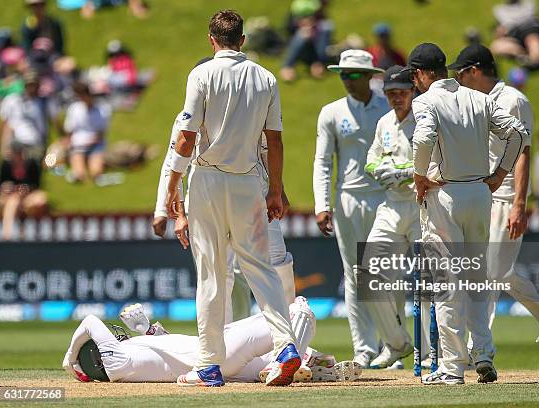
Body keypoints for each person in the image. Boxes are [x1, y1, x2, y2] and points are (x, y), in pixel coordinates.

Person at [165, 10, 300, 387]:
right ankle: (286, 344)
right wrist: (275, 188)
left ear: (211, 40)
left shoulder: (202, 73)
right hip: (247, 182)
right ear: (242, 40)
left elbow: (187, 137)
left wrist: (173, 186)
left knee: (212, 272)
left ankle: (209, 364)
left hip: (208, 180)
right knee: (260, 266)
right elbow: (274, 139)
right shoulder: (266, 77)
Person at [408, 42, 529, 385]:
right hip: (480, 193)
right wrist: (499, 174)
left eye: (413, 77)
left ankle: (451, 368)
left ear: (420, 74)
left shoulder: (425, 101)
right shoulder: (480, 98)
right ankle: (484, 354)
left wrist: (419, 176)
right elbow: (519, 133)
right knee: (476, 280)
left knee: (447, 285)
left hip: (444, 196)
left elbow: (424, 138)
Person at [450, 44, 539, 370]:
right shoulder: (475, 102)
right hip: (479, 195)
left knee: (495, 273)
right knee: (485, 273)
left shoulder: (513, 100)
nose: (458, 78)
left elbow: (524, 152)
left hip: (506, 197)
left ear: (474, 70)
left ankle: (482, 347)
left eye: (461, 72)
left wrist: (519, 204)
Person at [62, 299, 363, 384]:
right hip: (220, 352)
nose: (117, 336)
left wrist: (149, 331)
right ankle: (289, 359)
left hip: (219, 364)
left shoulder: (127, 363)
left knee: (276, 351)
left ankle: (311, 364)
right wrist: (71, 357)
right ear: (99, 358)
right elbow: (90, 322)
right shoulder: (117, 360)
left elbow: (173, 351)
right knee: (299, 310)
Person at [313, 49, 390, 368]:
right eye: (343, 74)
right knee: (356, 275)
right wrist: (322, 204)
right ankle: (364, 348)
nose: (347, 80)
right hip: (347, 199)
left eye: (353, 74)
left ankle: (393, 345)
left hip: (385, 197)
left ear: (370, 76)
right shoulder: (331, 112)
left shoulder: (388, 107)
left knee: (385, 273)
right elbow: (322, 161)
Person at [361, 65, 418, 369]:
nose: (397, 98)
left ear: (413, 91)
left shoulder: (423, 120)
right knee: (369, 271)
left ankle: (442, 350)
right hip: (391, 206)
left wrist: (405, 173)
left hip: (422, 206)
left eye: (402, 93)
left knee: (433, 280)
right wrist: (380, 172)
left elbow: (435, 164)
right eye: (391, 93)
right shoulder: (384, 123)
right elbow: (371, 159)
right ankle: (396, 343)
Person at [0, 142, 48, 240]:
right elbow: (1, 186)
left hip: (28, 197)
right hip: (10, 198)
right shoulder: (6, 164)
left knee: (41, 200)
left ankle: (29, 233)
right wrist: (6, 188)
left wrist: (25, 189)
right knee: (14, 202)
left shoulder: (31, 163)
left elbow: (36, 185)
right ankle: (7, 235)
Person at [63, 82, 111, 183]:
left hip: (96, 146)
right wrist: (68, 144)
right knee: (79, 174)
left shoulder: (103, 110)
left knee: (96, 173)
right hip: (77, 146)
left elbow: (101, 134)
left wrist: (90, 143)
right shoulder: (74, 108)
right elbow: (69, 132)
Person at [280, 0, 332, 82]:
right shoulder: (297, 7)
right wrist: (301, 26)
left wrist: (314, 29)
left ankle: (318, 64)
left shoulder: (319, 13)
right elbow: (288, 30)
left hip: (315, 48)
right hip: (300, 48)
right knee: (303, 34)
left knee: (326, 27)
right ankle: (287, 67)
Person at [490, 0, 539, 69]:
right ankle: (524, 58)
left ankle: (534, 62)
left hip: (530, 31)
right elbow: (499, 32)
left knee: (532, 39)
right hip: (514, 37)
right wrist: (500, 32)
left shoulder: (529, 4)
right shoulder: (500, 10)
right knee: (496, 46)